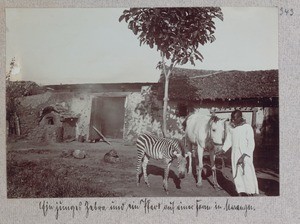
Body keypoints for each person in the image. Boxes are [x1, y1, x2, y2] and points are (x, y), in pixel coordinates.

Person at [217, 109, 259, 196]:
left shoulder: (247, 127)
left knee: (247, 173)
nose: (233, 120)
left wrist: (243, 156)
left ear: (240, 117)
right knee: (237, 175)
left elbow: (251, 144)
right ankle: (241, 192)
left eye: (235, 118)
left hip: (245, 155)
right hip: (235, 155)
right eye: (232, 118)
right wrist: (223, 150)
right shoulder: (232, 129)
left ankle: (251, 193)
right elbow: (229, 141)